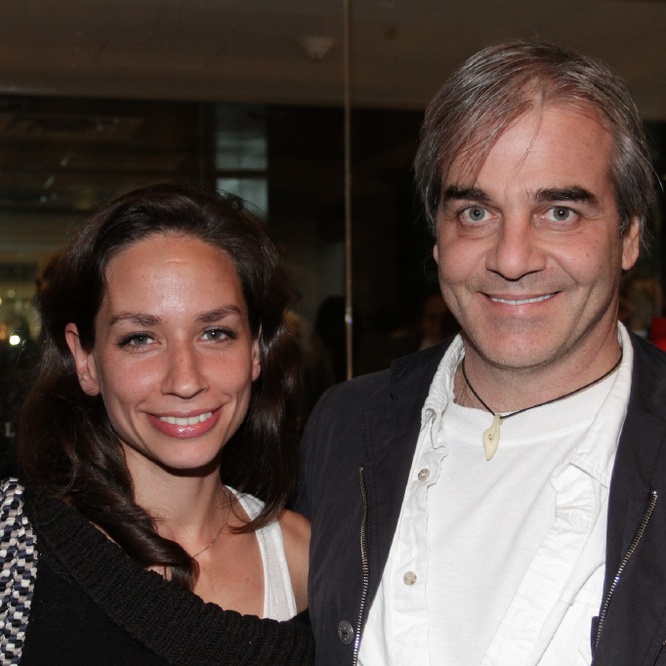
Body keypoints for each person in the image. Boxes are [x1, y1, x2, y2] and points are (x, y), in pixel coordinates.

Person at [295, 40, 666, 666]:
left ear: (629, 235)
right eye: (475, 212)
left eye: (559, 211)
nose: (512, 258)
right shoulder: (345, 426)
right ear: (438, 239)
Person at [2, 183, 314, 664]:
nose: (185, 380)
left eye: (215, 333)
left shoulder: (311, 562)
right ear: (85, 360)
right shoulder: (14, 549)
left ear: (255, 350)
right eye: (140, 338)